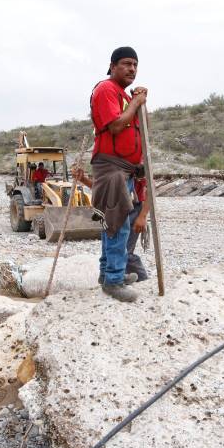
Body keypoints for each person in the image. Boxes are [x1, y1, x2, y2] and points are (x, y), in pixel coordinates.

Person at [88, 46, 151, 302]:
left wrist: (135, 101)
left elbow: (134, 128)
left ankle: (108, 274)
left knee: (111, 223)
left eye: (135, 65)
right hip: (112, 166)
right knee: (119, 224)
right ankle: (114, 279)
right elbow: (115, 126)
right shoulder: (106, 90)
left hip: (124, 169)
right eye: (126, 64)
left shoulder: (123, 96)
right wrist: (136, 101)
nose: (132, 69)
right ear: (112, 66)